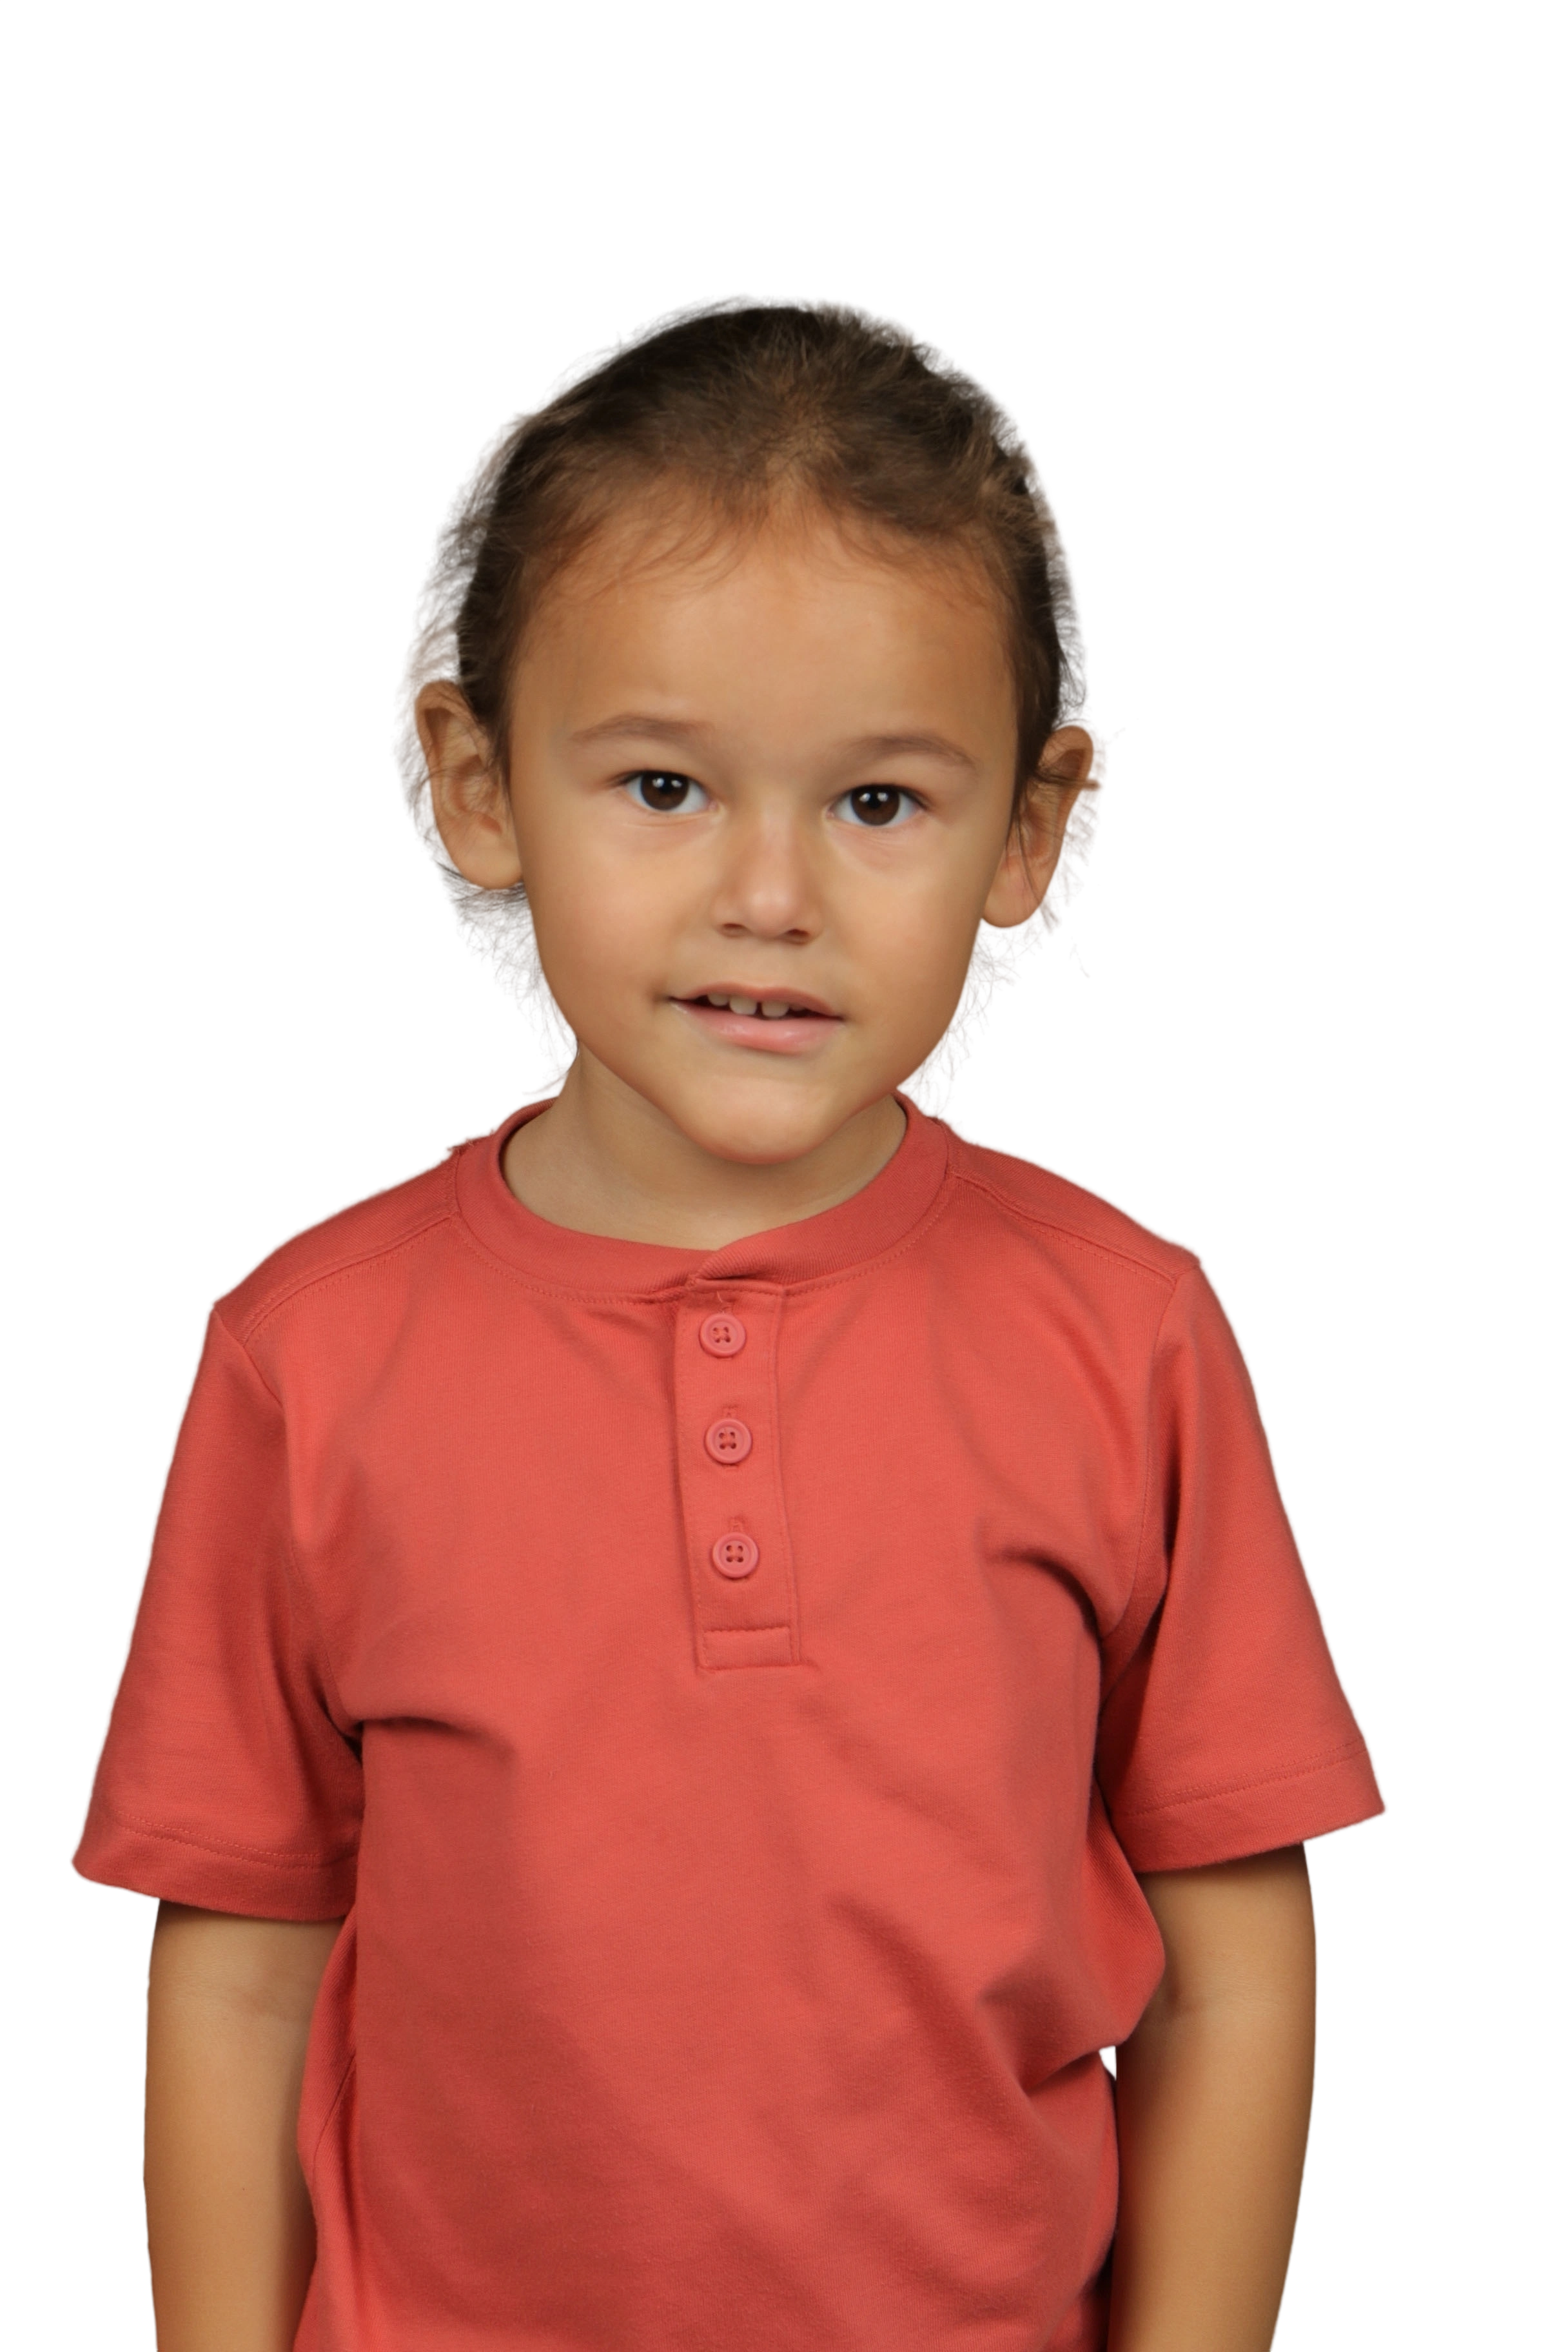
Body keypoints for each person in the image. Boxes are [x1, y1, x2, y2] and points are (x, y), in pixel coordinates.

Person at [68, 290, 1389, 2352]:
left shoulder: (1129, 1334)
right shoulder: (301, 1358)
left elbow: (1230, 1957)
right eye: (667, 784)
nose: (770, 893)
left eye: (878, 804)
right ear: (478, 782)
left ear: (1029, 832)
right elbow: (242, 1967)